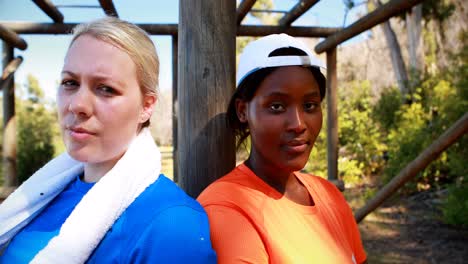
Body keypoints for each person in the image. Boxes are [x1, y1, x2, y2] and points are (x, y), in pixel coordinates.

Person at [0, 17, 216, 263]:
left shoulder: (173, 226)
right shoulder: (38, 199)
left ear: (146, 106)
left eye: (106, 88)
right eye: (70, 83)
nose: (77, 105)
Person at [198, 34, 367, 264]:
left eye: (309, 106)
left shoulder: (329, 195)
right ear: (242, 111)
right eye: (277, 106)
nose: (298, 123)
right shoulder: (227, 207)